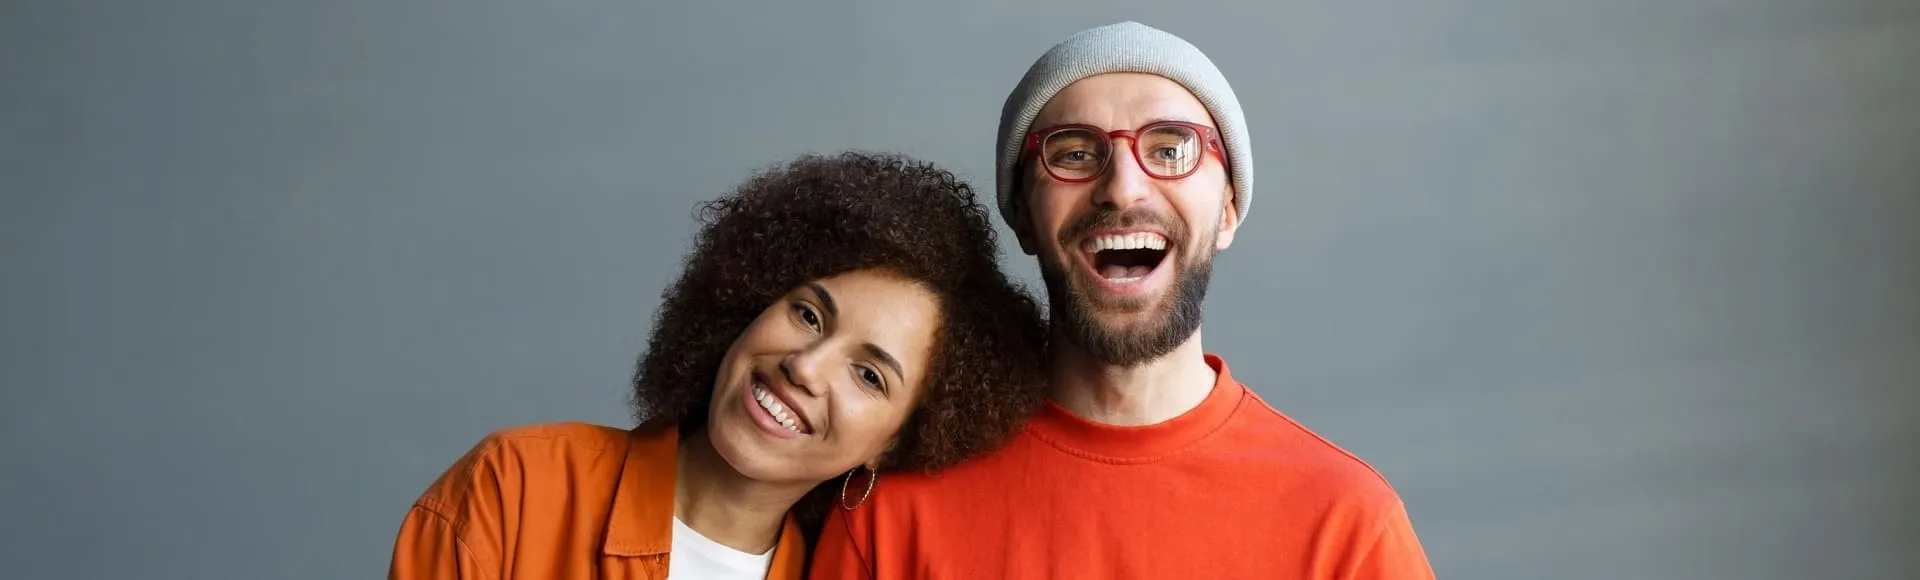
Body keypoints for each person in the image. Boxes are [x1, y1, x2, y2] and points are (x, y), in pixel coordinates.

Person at [809, 21, 1437, 578]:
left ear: (1227, 211)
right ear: (1024, 218)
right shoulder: (886, 511)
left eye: (1170, 149)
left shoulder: (1346, 525)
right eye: (1076, 154)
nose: (1123, 187)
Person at [386, 152, 1049, 580]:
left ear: (898, 442)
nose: (806, 367)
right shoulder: (519, 487)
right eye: (810, 315)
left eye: (869, 375)